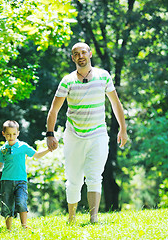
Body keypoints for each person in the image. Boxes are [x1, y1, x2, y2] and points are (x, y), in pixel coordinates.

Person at [46, 42, 128, 224]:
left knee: (94, 176)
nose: (80, 56)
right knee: (73, 178)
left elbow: (116, 104)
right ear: (73, 58)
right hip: (73, 135)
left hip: (98, 134)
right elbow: (54, 109)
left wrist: (123, 129)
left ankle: (94, 218)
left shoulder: (103, 76)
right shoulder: (67, 80)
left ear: (90, 54)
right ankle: (72, 218)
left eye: (83, 52)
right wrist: (50, 134)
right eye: (76, 53)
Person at [0, 120, 50, 230]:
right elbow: (0, 166)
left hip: (21, 181)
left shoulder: (23, 146)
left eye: (14, 134)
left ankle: (24, 226)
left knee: (21, 202)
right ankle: (9, 229)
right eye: (8, 134)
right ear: (3, 134)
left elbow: (37, 155)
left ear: (18, 133)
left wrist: (49, 149)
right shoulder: (3, 149)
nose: (11, 137)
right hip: (6, 181)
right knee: (7, 205)